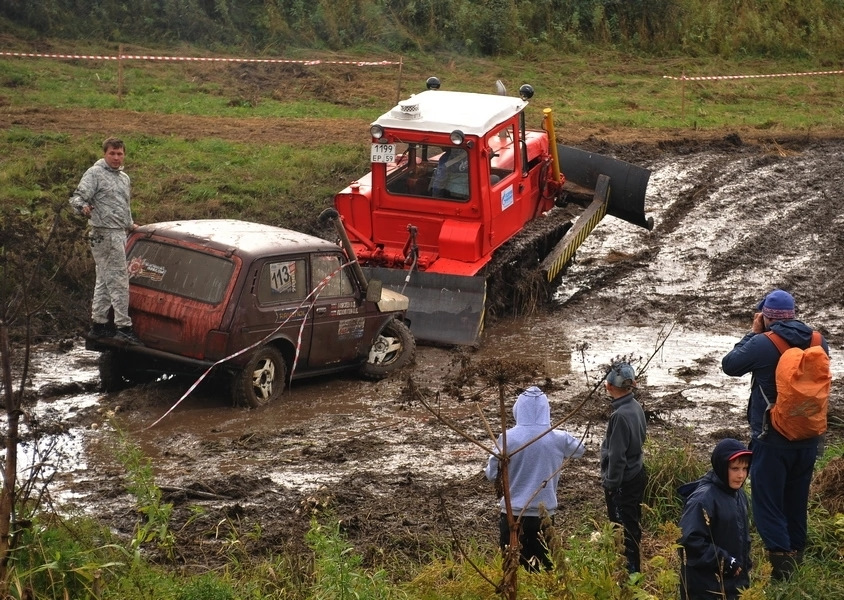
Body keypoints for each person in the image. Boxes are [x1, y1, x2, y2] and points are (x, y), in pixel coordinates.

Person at [721, 289, 828, 580]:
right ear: (793, 314)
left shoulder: (763, 343)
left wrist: (752, 333)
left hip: (772, 439)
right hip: (808, 438)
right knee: (796, 501)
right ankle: (797, 560)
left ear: (766, 317)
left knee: (767, 504)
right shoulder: (819, 341)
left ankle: (783, 574)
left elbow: (729, 365)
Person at [485, 386, 586, 571]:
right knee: (544, 568)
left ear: (518, 410)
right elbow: (580, 450)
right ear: (546, 410)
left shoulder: (507, 438)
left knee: (512, 569)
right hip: (544, 515)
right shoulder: (558, 437)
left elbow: (491, 474)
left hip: (512, 515)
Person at [69, 137, 142, 345]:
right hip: (103, 233)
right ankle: (123, 327)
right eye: (112, 153)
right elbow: (76, 198)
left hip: (119, 232)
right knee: (119, 279)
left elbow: (123, 206)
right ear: (105, 154)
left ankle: (99, 324)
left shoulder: (124, 178)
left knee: (103, 278)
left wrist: (130, 225)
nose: (116, 157)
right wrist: (82, 208)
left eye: (120, 153)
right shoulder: (95, 173)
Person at [678, 438, 753, 600]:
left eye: (745, 468)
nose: (741, 475)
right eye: (735, 468)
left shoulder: (739, 494)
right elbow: (688, 541)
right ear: (721, 466)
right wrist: (724, 561)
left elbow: (742, 535)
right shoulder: (703, 499)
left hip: (734, 584)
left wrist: (745, 564)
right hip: (706, 589)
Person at [600, 361, 648, 573]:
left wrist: (611, 484)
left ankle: (630, 574)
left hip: (623, 482)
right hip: (637, 473)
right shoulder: (636, 407)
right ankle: (633, 569)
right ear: (632, 384)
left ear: (608, 386)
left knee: (622, 529)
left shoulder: (619, 416)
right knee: (632, 524)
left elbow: (617, 456)